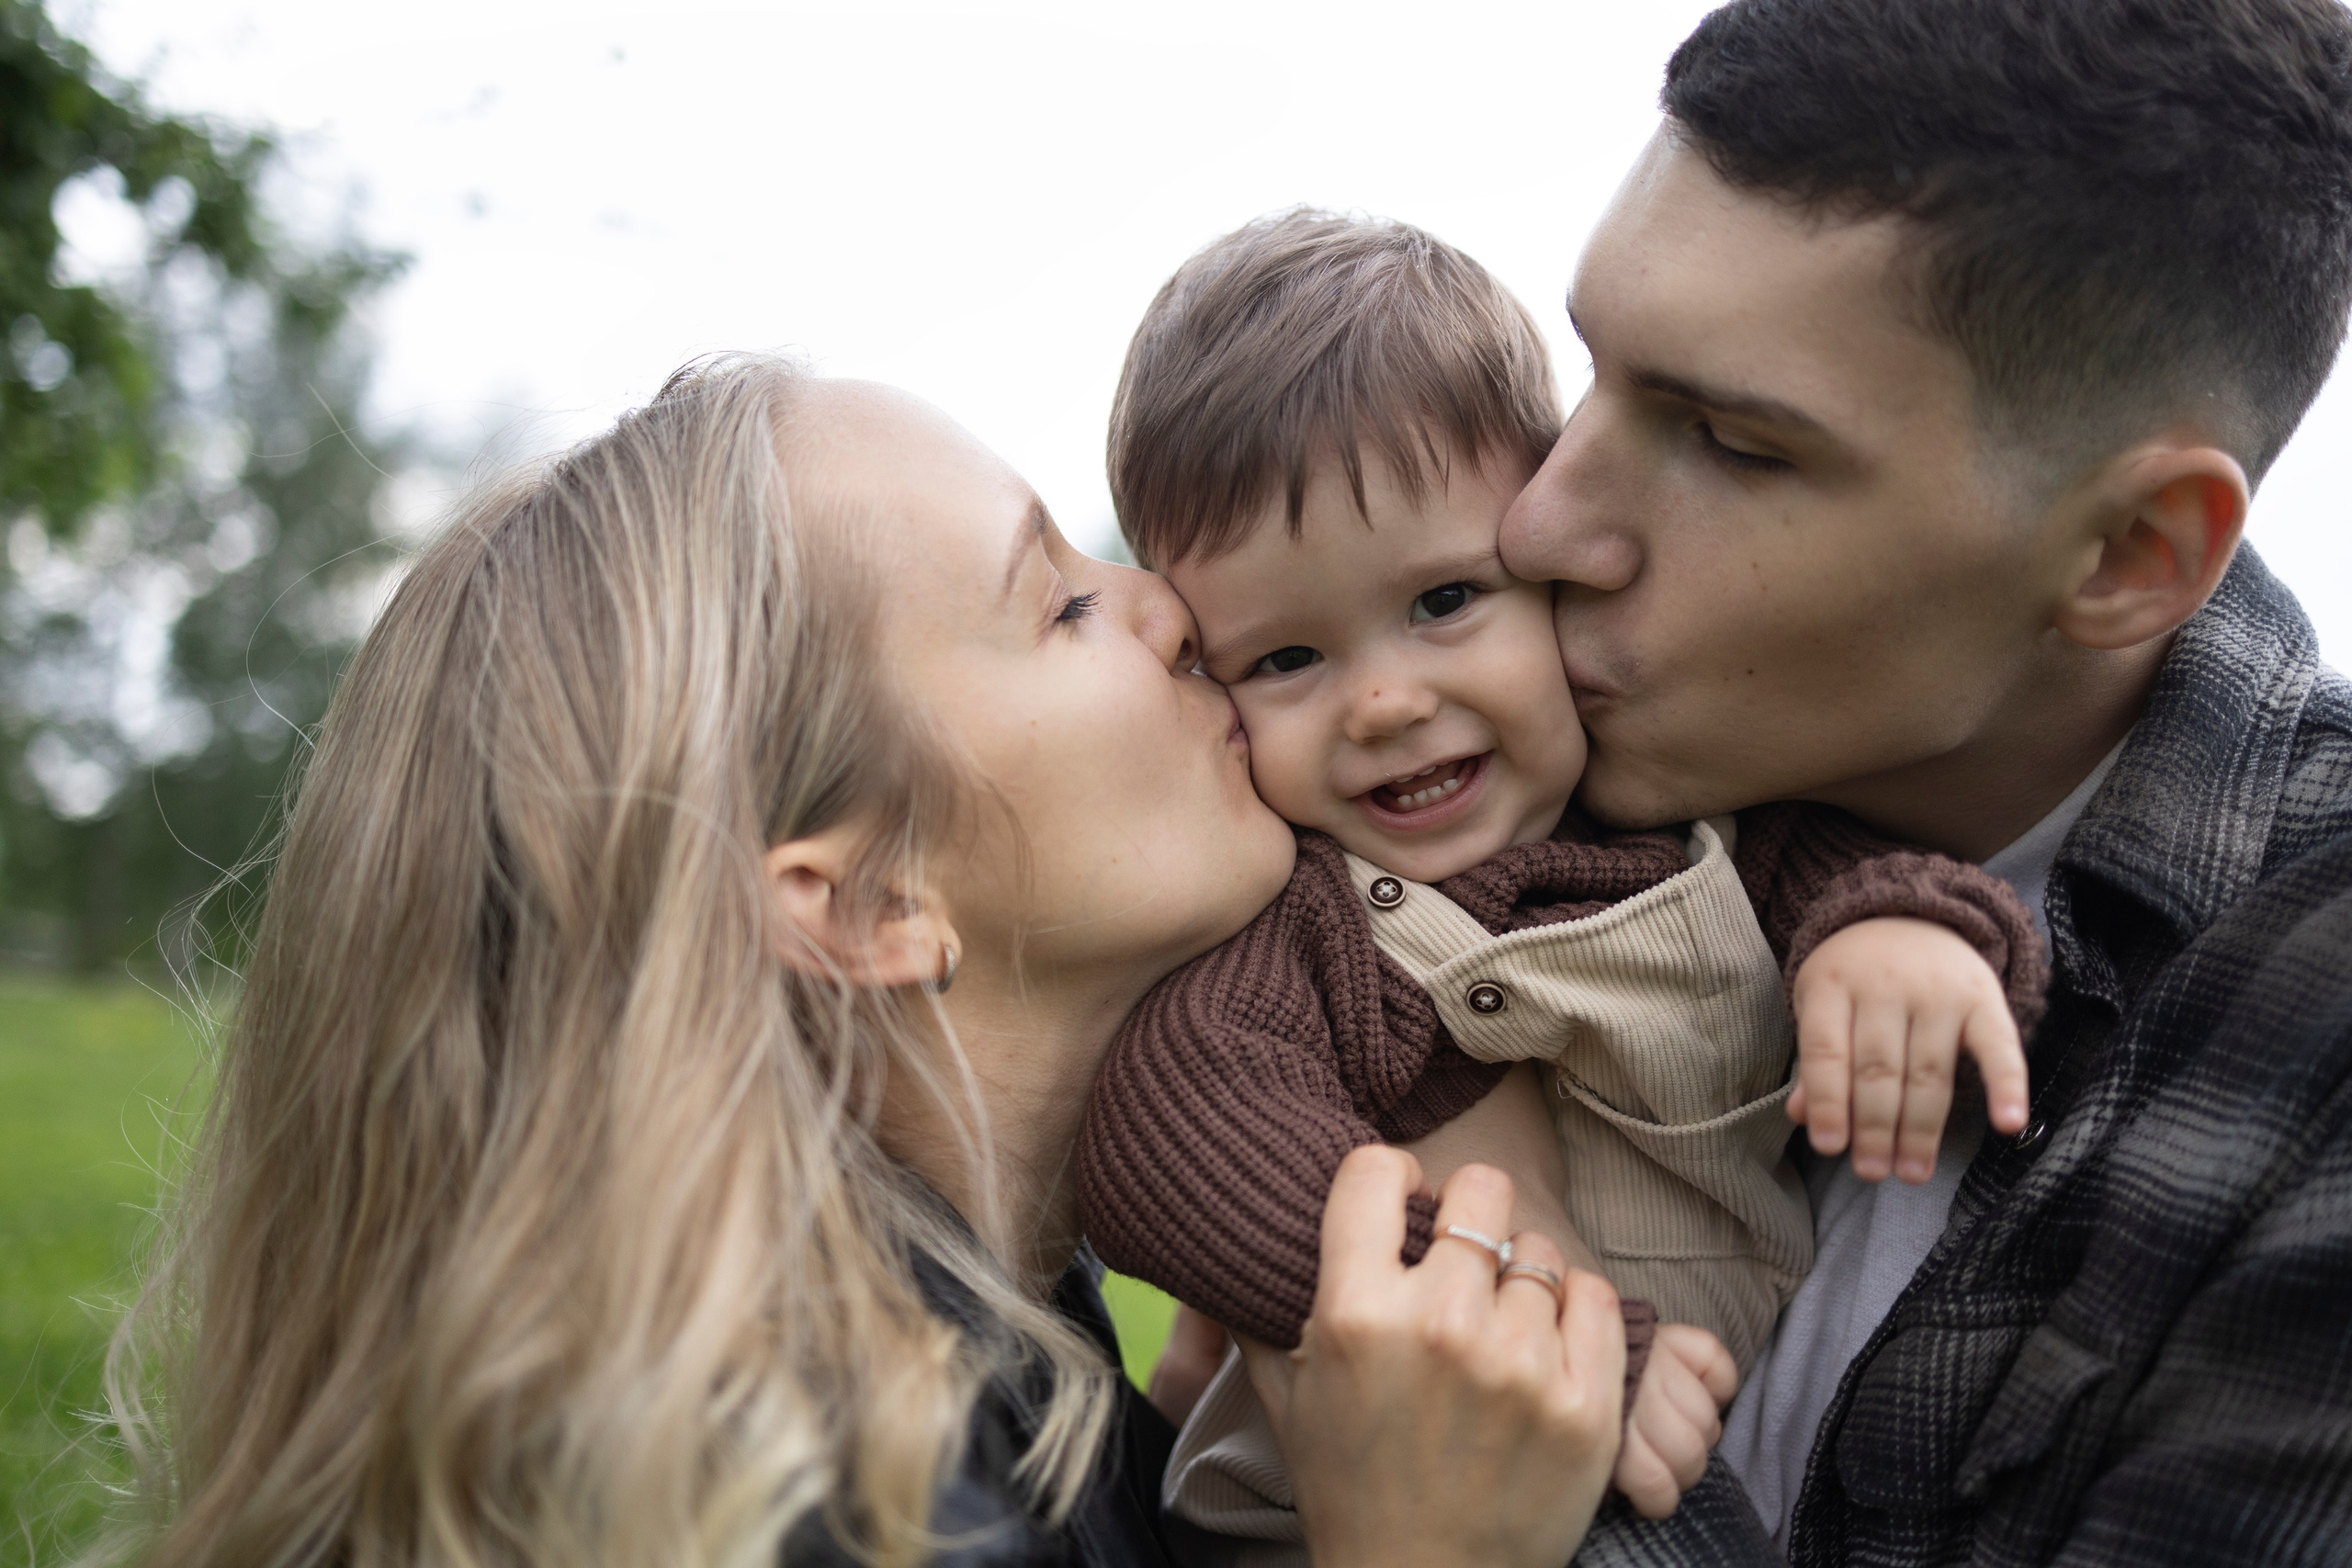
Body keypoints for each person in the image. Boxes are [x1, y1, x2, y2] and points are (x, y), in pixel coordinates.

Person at [100, 356, 1642, 1568]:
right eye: (1058, 601)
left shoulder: (965, 1360)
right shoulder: (836, 1509)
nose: (1170, 606)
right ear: (867, 904)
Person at [1470, 0, 2352, 1559]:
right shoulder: (1500, 811)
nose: (1542, 528)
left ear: (2130, 556)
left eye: (1734, 444)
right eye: (1591, 369)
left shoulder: (2316, 1039)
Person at [1070, 210, 2046, 1541]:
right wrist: (1534, 1326)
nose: (1384, 703)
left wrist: (1895, 935)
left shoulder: (1680, 818)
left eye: (1444, 602)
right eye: (1286, 660)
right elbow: (1170, 1123)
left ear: (1549, 570)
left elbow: (1831, 866)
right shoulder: (1316, 927)